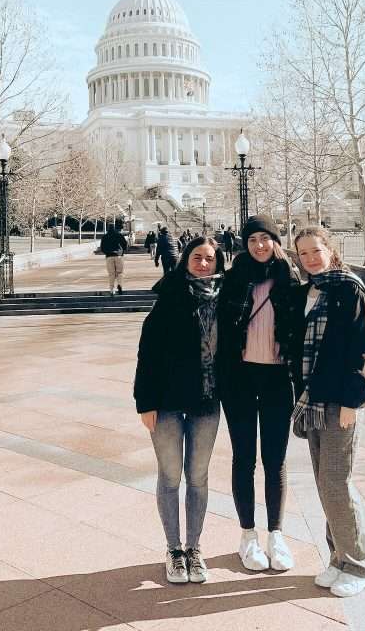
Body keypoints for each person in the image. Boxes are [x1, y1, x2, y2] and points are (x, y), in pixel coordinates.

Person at [290, 225, 365, 598]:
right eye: (304, 253)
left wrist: (352, 402)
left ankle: (359, 564)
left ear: (331, 249)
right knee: (325, 484)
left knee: (336, 483)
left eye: (316, 250)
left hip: (339, 401)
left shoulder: (349, 288)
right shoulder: (308, 290)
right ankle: (338, 558)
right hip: (311, 398)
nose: (311, 258)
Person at [134, 236, 225, 585]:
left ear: (218, 263)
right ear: (186, 259)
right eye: (197, 257)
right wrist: (146, 403)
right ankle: (173, 549)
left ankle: (194, 547)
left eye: (210, 259)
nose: (203, 264)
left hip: (207, 401)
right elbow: (148, 353)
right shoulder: (171, 295)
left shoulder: (227, 299)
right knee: (170, 476)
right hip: (168, 401)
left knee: (198, 477)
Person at [220, 214, 300, 572]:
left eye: (265, 239)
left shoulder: (291, 280)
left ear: (276, 241)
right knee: (244, 458)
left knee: (275, 459)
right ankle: (248, 534)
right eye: (252, 240)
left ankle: (277, 535)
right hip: (239, 377)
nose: (259, 246)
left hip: (277, 378)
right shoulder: (233, 279)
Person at [100, 223, 129, 296]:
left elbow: (102, 248)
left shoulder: (105, 236)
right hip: (118, 256)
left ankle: (112, 290)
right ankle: (120, 285)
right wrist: (122, 251)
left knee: (111, 274)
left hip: (109, 256)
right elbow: (125, 244)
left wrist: (108, 252)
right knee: (120, 272)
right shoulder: (119, 235)